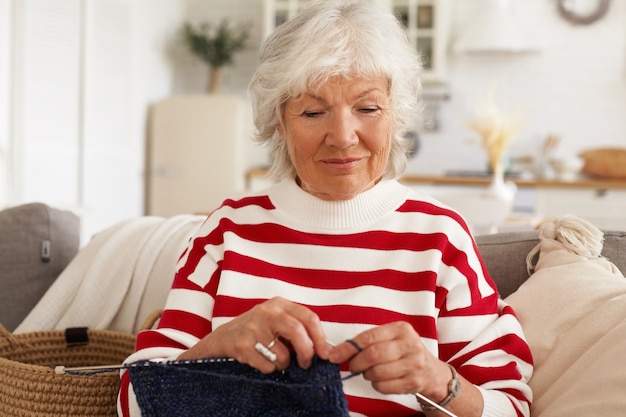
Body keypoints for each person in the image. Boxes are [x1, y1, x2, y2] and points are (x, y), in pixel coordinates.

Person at [118, 1, 533, 416]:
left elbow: (512, 407)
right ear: (279, 121)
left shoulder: (441, 238)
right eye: (314, 112)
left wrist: (438, 380)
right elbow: (129, 404)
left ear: (395, 114)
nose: (343, 136)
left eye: (367, 109)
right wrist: (216, 347)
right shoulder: (227, 231)